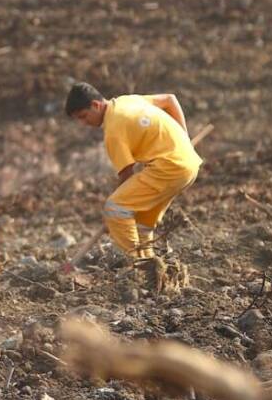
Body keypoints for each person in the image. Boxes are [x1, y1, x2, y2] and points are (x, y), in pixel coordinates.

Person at [65, 82, 202, 264]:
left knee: (115, 208)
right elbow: (170, 99)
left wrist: (114, 215)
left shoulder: (113, 131)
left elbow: (126, 174)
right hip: (188, 164)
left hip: (168, 168)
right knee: (141, 224)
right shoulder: (128, 101)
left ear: (96, 105)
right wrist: (184, 140)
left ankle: (136, 268)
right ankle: (151, 268)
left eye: (83, 116)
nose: (83, 123)